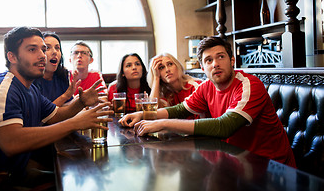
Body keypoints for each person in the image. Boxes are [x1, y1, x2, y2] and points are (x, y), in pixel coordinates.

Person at [0, 27, 113, 186]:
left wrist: (80, 102)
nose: (42, 55)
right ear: (12, 56)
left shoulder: (30, 89)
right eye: (32, 49)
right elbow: (12, 143)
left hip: (13, 171)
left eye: (43, 49)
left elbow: (56, 115)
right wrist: (75, 123)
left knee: (80, 174)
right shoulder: (3, 89)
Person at [119, 36, 296, 168]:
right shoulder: (207, 87)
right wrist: (143, 114)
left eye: (221, 57)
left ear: (232, 60)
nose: (215, 64)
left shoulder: (249, 84)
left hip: (271, 165)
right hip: (236, 161)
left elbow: (224, 126)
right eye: (209, 60)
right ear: (202, 67)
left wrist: (161, 123)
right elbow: (180, 110)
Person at [147, 53, 202, 119]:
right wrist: (156, 78)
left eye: (170, 64)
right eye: (161, 68)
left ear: (177, 66)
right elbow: (151, 114)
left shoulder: (196, 86)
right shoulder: (165, 95)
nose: (167, 70)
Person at [33, 31, 80, 106]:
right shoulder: (32, 80)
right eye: (47, 48)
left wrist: (81, 101)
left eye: (57, 48)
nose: (54, 52)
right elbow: (43, 114)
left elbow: (68, 106)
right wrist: (65, 96)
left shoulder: (63, 75)